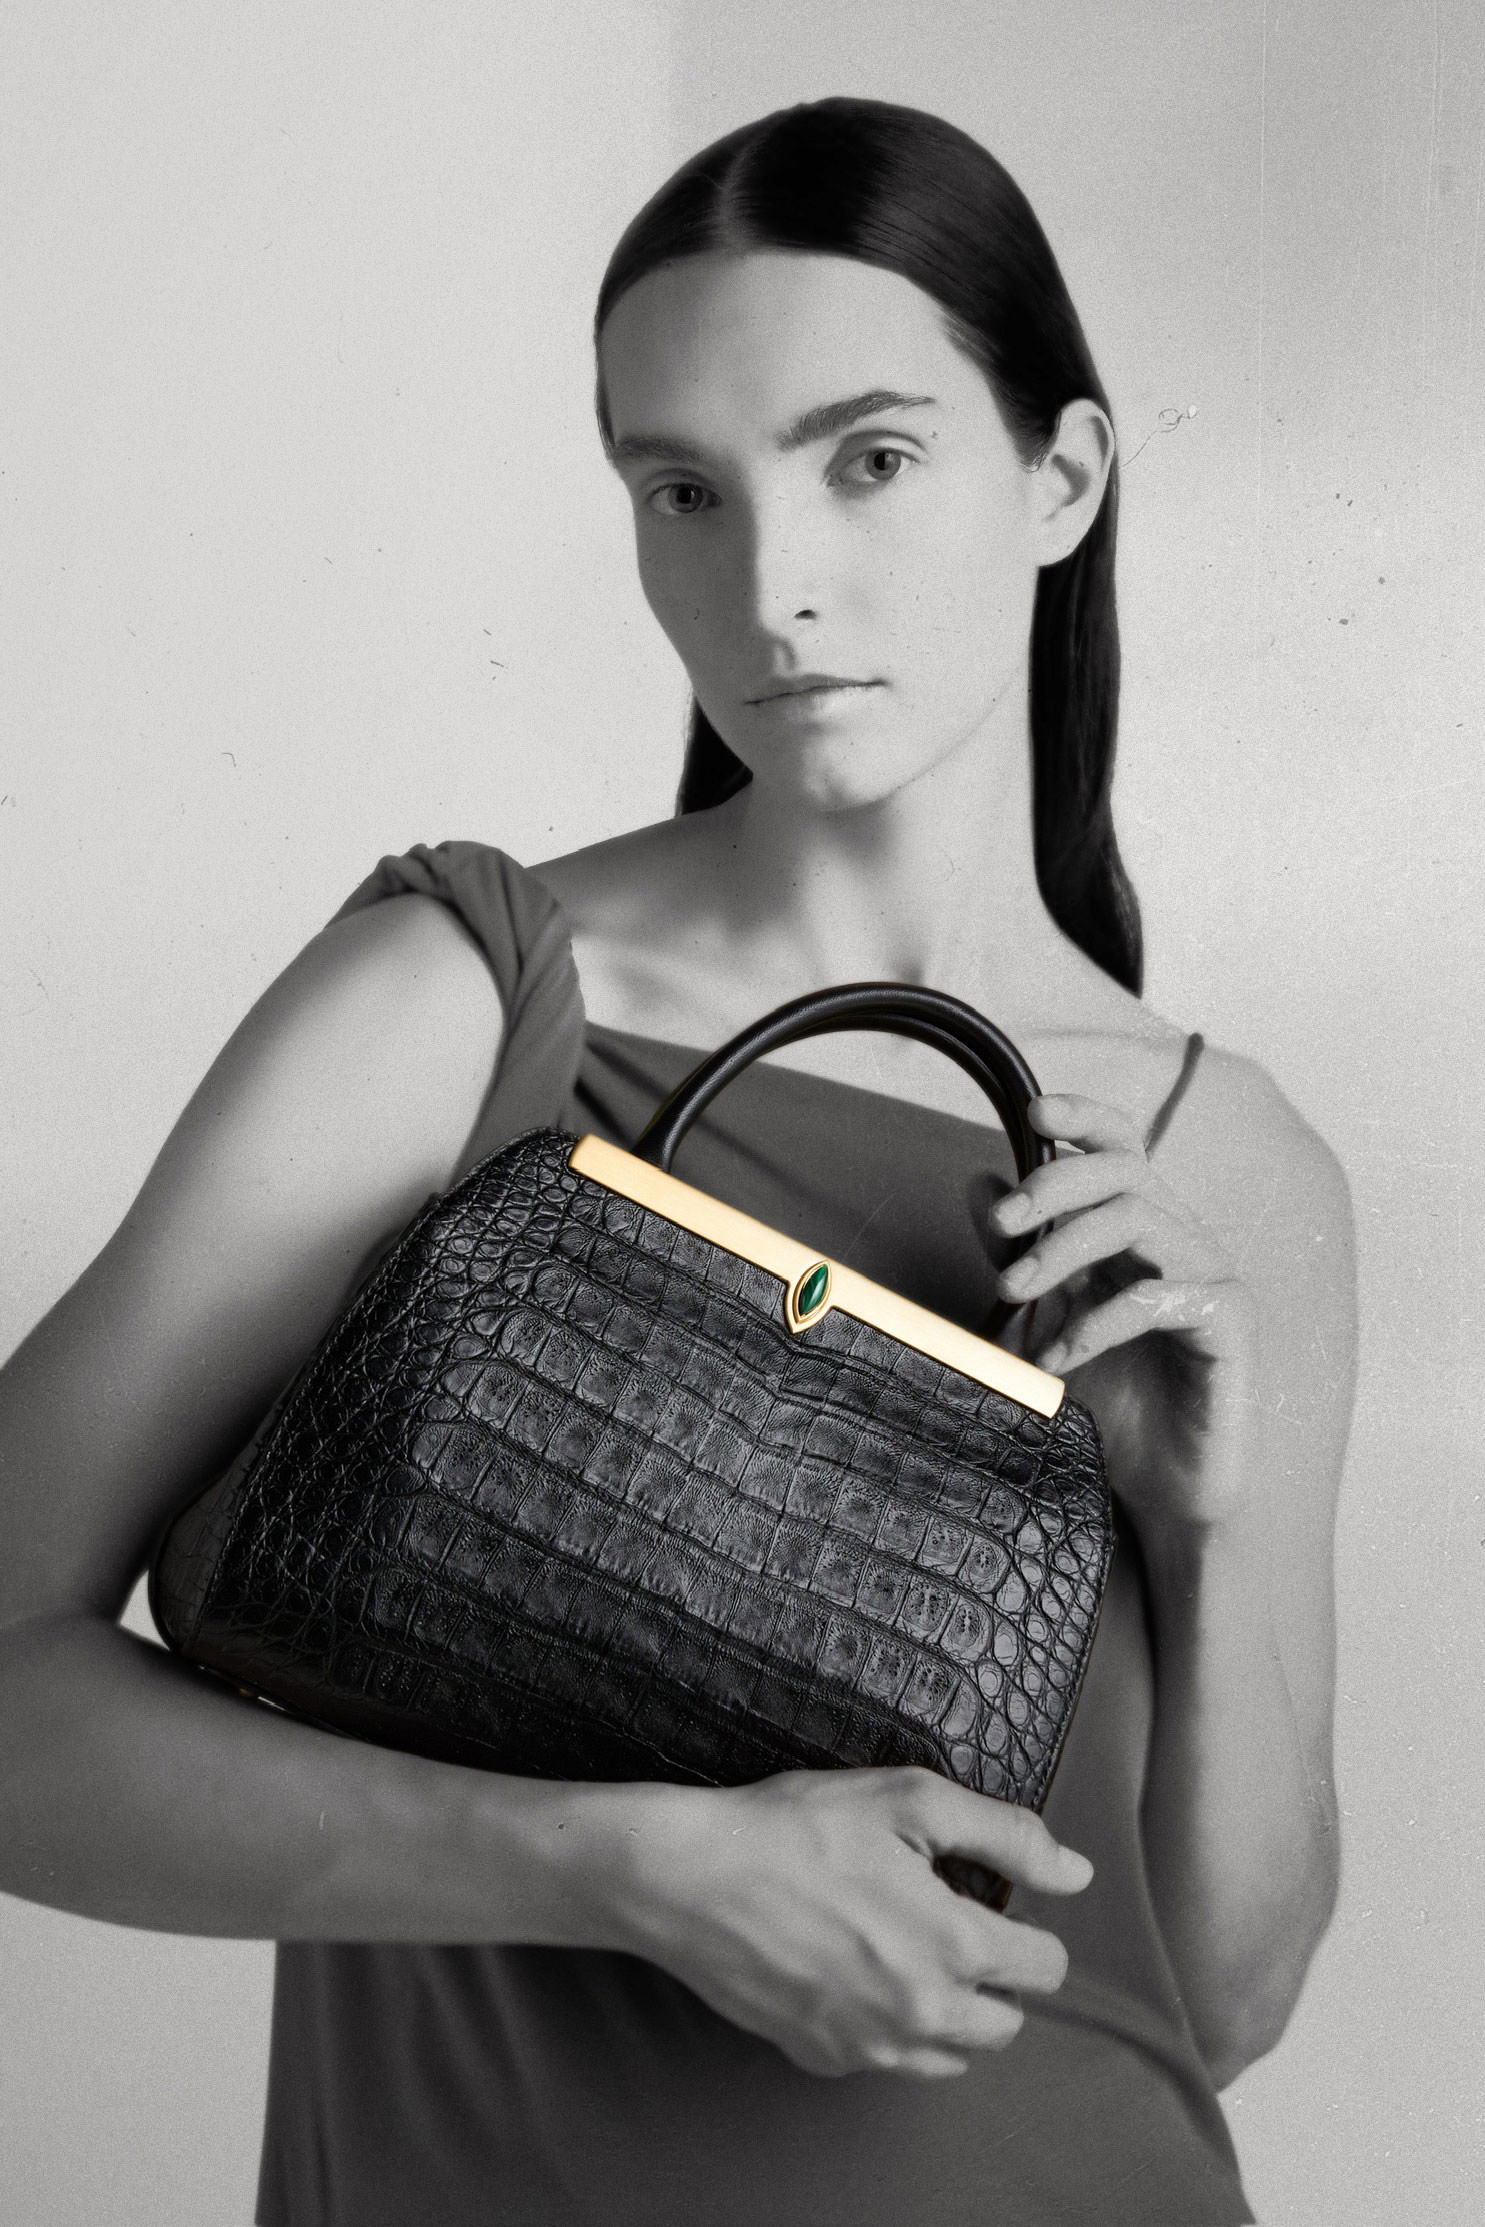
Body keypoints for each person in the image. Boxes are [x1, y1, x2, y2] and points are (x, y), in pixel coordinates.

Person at [0, 98, 1356, 2227]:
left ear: (1062, 478)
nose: (770, 586)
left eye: (867, 460)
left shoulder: (1228, 1167)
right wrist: (615, 1869)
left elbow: (1220, 1998)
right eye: (682, 491)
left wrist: (1201, 1525)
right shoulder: (463, 1000)